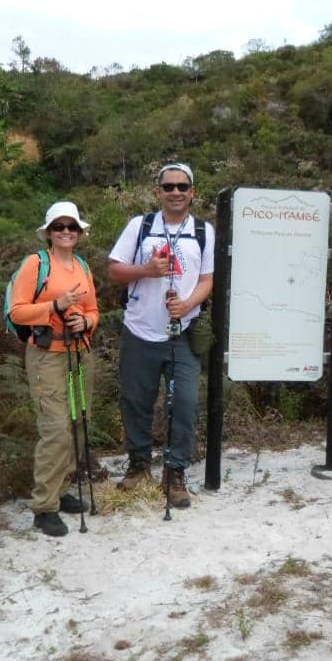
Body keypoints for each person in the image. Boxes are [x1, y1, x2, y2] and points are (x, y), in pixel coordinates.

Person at [107, 162, 214, 508]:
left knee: (184, 403)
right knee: (135, 402)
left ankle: (175, 471)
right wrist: (147, 269)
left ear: (192, 191)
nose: (176, 193)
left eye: (183, 186)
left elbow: (207, 280)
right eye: (169, 187)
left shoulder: (203, 231)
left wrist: (187, 305)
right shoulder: (140, 226)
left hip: (182, 334)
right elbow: (114, 270)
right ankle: (139, 466)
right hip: (140, 331)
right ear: (159, 191)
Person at [9, 201, 99, 537]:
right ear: (48, 232)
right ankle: (44, 507)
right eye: (59, 227)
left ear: (79, 232)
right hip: (47, 356)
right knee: (56, 429)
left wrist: (84, 319)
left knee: (77, 424)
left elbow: (93, 310)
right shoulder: (35, 264)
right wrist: (56, 306)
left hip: (79, 351)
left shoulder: (82, 266)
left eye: (71, 227)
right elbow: (18, 312)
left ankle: (61, 492)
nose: (65, 232)